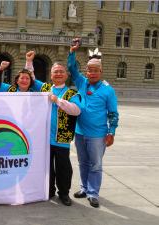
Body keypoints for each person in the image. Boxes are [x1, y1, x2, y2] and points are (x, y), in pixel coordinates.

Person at [68, 38, 119, 208]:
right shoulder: (82, 83)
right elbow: (72, 69)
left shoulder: (108, 90)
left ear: (101, 72)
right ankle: (84, 188)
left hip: (98, 134)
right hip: (80, 132)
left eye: (96, 71)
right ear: (87, 72)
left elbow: (113, 113)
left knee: (95, 165)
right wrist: (72, 52)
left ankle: (93, 192)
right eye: (89, 70)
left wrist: (111, 132)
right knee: (83, 163)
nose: (92, 73)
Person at [29, 54, 81, 206]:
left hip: (61, 138)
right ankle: (49, 189)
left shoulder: (72, 93)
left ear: (66, 75)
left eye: (61, 71)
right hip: (44, 137)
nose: (58, 74)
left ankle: (64, 193)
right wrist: (29, 61)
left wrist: (58, 101)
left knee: (63, 167)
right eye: (55, 72)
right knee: (46, 166)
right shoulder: (44, 88)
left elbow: (76, 110)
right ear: (50, 75)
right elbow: (30, 78)